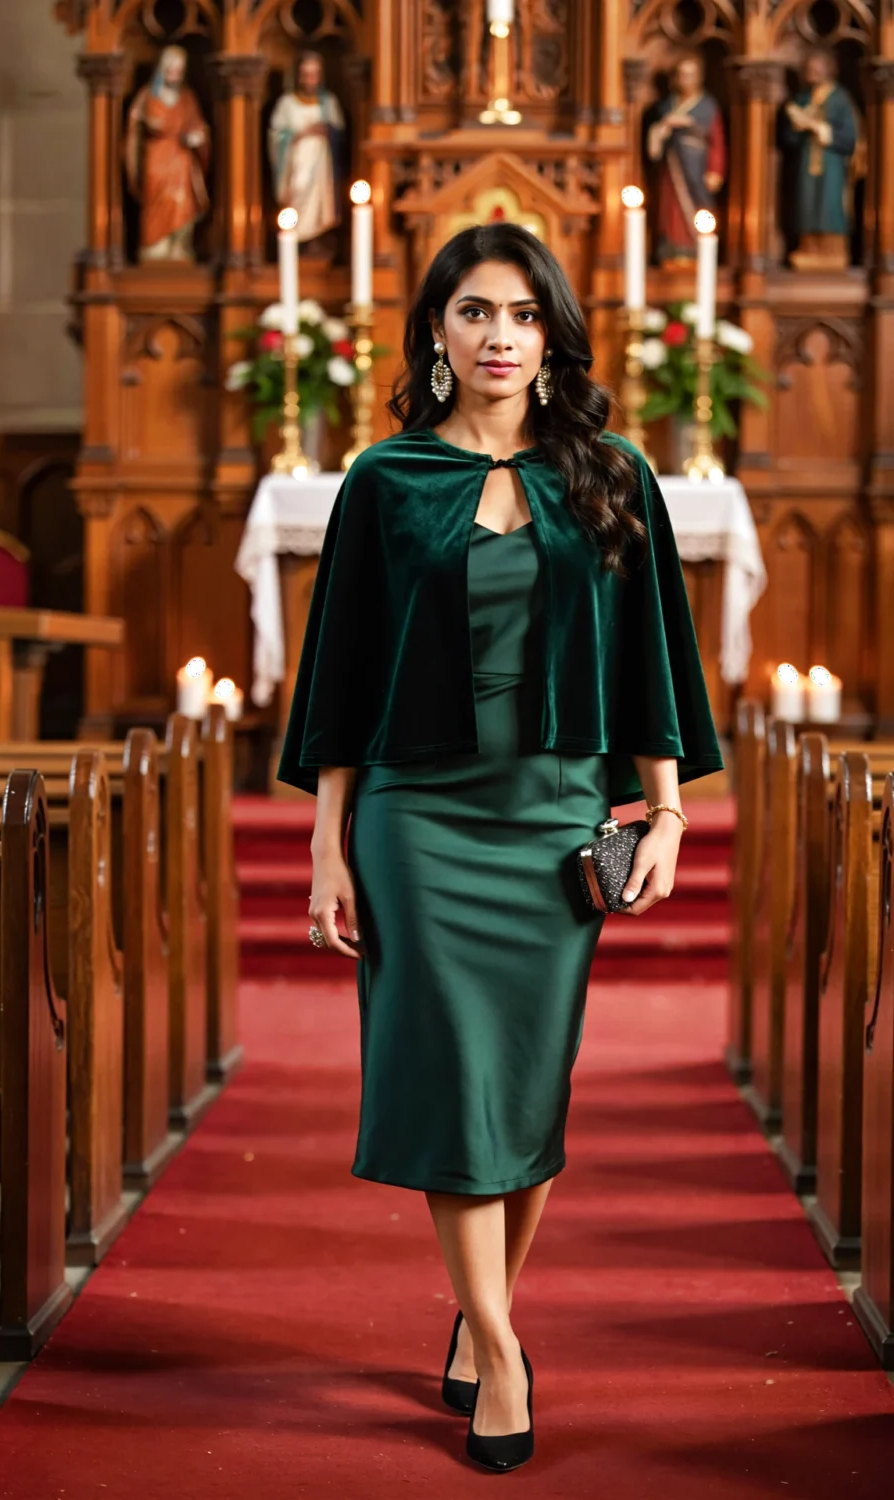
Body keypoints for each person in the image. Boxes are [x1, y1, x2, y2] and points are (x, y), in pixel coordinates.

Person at [276, 223, 724, 1473]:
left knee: (525, 1091)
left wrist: (668, 813)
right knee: (455, 1079)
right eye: (474, 312)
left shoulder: (609, 472)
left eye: (523, 316)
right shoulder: (383, 481)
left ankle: (485, 1318)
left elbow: (653, 659)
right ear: (434, 330)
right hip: (417, 821)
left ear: (550, 335)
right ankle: (500, 1344)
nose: (498, 338)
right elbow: (339, 677)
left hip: (550, 816)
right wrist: (326, 843)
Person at [781, 48, 864, 270]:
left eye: (817, 68)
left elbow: (849, 138)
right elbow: (787, 141)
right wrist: (795, 127)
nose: (813, 72)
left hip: (832, 163)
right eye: (809, 69)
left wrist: (820, 128)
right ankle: (808, 249)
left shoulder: (840, 98)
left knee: (829, 205)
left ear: (829, 69)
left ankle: (834, 251)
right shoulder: (803, 98)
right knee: (806, 204)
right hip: (807, 163)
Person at [125, 45, 210, 262]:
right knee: (155, 202)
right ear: (161, 70)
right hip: (156, 158)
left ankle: (178, 245)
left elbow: (199, 126)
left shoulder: (187, 98)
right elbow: (134, 128)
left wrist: (197, 137)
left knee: (182, 203)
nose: (174, 74)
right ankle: (155, 245)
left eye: (178, 70)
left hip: (181, 161)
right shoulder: (147, 96)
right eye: (170, 69)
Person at [646, 52, 726, 265]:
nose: (685, 80)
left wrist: (715, 171)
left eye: (690, 75)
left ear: (699, 77)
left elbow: (716, 141)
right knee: (671, 209)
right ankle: (672, 248)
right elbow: (656, 138)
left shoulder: (708, 106)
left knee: (700, 206)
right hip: (672, 167)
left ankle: (696, 248)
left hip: (698, 165)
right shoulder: (666, 106)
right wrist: (664, 127)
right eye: (681, 75)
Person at [266, 50, 345, 250]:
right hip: (297, 159)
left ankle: (316, 238)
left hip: (321, 161)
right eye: (306, 74)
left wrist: (327, 131)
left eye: (314, 74)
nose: (310, 79)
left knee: (320, 201)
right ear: (298, 76)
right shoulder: (287, 103)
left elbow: (339, 132)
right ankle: (297, 237)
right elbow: (276, 134)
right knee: (298, 189)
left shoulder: (328, 102)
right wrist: (298, 135)